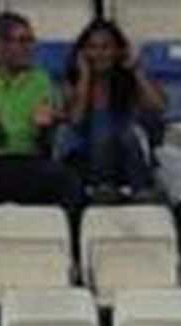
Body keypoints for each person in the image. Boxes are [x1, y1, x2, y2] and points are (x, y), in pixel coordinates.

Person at [58, 17, 164, 199]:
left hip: (127, 160)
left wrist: (136, 71)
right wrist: (85, 77)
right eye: (93, 47)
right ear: (83, 52)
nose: (99, 54)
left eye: (106, 47)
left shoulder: (130, 81)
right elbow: (76, 120)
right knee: (102, 132)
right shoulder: (73, 83)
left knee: (127, 134)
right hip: (87, 161)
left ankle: (142, 191)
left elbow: (157, 107)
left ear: (117, 51)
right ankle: (103, 188)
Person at [0, 11, 84, 209]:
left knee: (68, 181)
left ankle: (71, 238)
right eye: (23, 41)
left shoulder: (40, 79)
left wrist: (48, 125)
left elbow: (45, 139)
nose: (31, 48)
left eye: (31, 40)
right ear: (0, 45)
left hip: (28, 160)